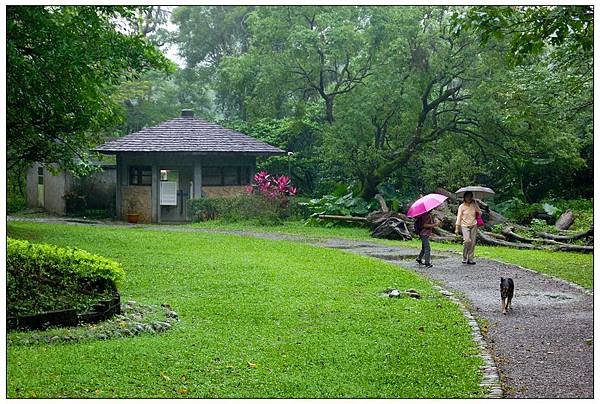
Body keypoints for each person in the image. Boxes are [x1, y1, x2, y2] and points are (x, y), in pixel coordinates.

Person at [455, 191, 482, 265]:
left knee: (472, 242)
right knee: (467, 241)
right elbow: (459, 217)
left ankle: (470, 259)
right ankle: (464, 257)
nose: (469, 198)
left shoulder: (474, 204)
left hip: (474, 225)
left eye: (470, 196)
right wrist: (457, 228)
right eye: (467, 196)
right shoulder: (461, 206)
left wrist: (477, 207)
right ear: (464, 197)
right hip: (464, 225)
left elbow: (480, 213)